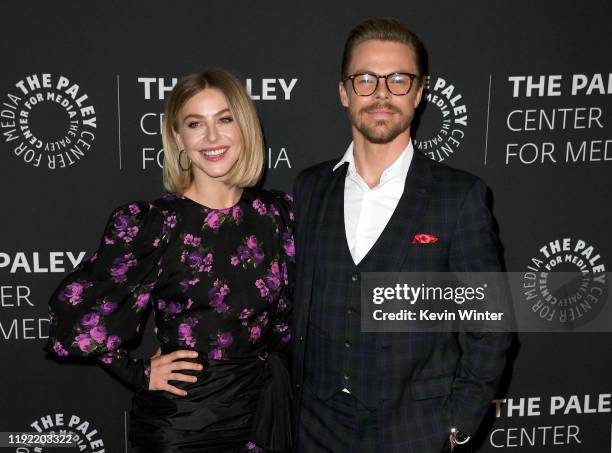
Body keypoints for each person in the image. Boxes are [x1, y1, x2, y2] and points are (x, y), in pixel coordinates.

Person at [291, 17, 513, 453]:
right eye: (365, 79)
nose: (381, 94)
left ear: (419, 92)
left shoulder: (459, 196)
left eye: (397, 79)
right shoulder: (310, 187)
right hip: (315, 428)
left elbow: (491, 327)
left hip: (414, 432)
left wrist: (459, 423)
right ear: (343, 91)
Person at [44, 68, 294, 453]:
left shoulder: (277, 214)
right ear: (178, 137)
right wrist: (139, 372)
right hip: (183, 426)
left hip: (264, 417)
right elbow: (73, 318)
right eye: (196, 124)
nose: (212, 137)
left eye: (225, 119)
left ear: (245, 127)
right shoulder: (155, 223)